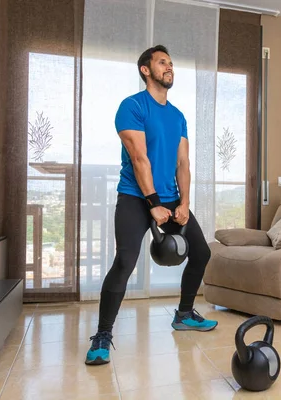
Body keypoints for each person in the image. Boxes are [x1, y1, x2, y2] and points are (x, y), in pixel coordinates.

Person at [85, 45, 218, 366]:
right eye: (162, 63)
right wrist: (153, 204)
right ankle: (103, 334)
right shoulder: (132, 106)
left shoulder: (178, 116)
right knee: (125, 261)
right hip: (134, 196)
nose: (169, 68)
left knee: (201, 252)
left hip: (171, 198)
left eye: (171, 63)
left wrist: (184, 202)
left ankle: (184, 314)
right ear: (146, 69)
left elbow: (183, 163)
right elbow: (139, 157)